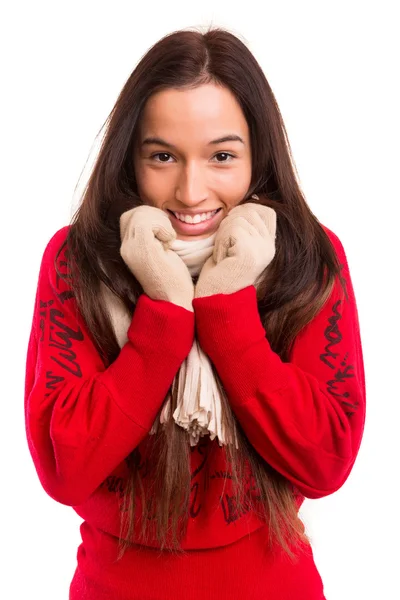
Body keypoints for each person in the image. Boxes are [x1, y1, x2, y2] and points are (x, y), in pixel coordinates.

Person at [24, 26, 366, 600]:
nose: (190, 191)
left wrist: (227, 313)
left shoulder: (308, 255)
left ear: (259, 156)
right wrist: (163, 319)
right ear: (128, 160)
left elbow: (325, 462)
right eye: (163, 156)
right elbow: (65, 468)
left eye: (221, 156)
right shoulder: (76, 259)